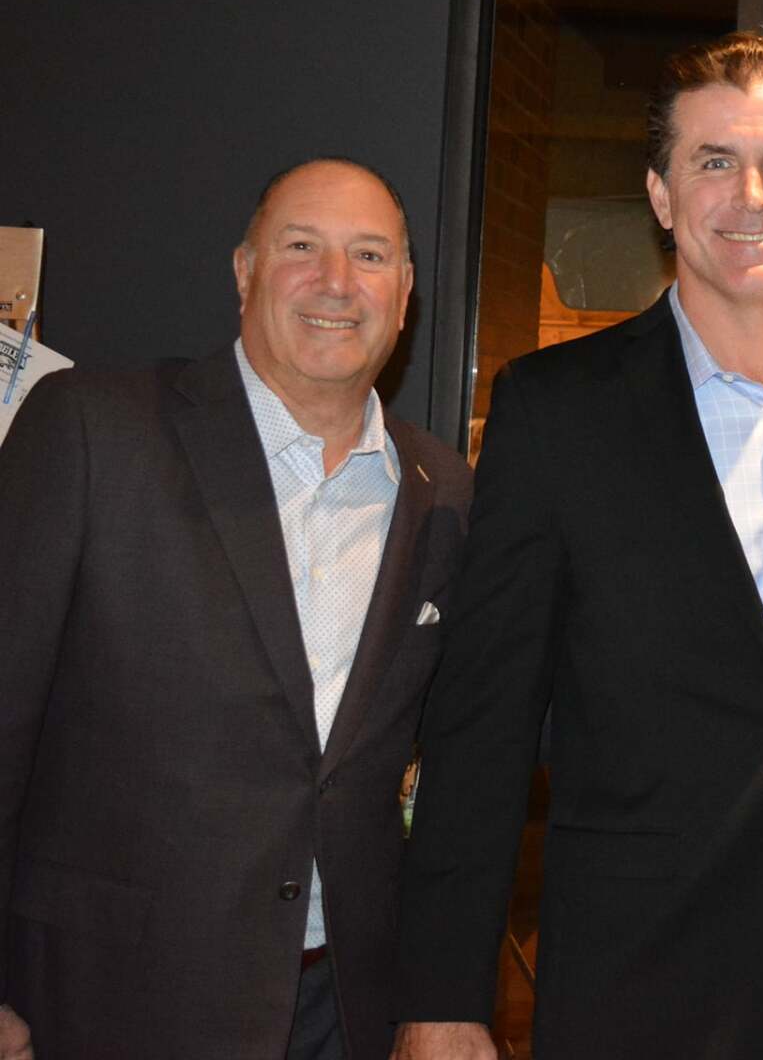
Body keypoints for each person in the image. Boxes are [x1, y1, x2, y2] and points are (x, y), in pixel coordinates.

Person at [390, 31, 763, 1059]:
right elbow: (483, 724)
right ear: (658, 193)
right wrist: (443, 993)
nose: (752, 194)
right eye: (714, 161)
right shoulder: (557, 412)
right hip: (638, 984)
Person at [0, 158, 473, 1060]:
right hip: (109, 1002)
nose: (337, 283)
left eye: (370, 255)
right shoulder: (94, 430)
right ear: (245, 270)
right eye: (302, 247)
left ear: (405, 292)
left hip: (345, 1006)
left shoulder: (442, 490)